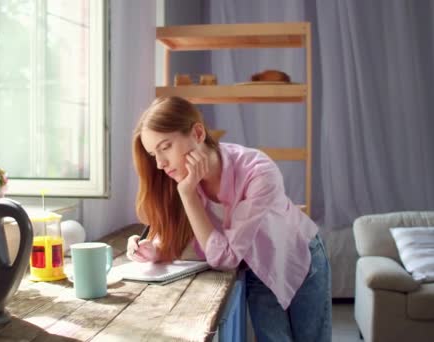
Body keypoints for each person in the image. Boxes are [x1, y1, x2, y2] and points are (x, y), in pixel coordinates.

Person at [126, 96, 332, 341]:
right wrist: (155, 249)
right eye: (153, 154)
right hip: (257, 269)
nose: (159, 163)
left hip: (299, 258)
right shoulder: (181, 180)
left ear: (198, 133)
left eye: (165, 147)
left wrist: (188, 195)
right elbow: (183, 235)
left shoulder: (258, 172)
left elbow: (227, 258)